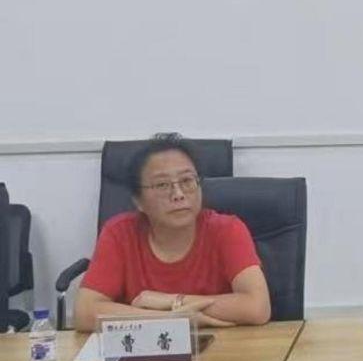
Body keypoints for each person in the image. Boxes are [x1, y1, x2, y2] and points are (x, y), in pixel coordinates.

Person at [73, 133, 271, 332]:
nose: (178, 194)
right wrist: (172, 319)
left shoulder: (227, 230)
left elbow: (257, 307)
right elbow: (85, 312)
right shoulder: (119, 233)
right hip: (146, 348)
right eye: (162, 185)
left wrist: (172, 301)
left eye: (187, 181)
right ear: (138, 201)